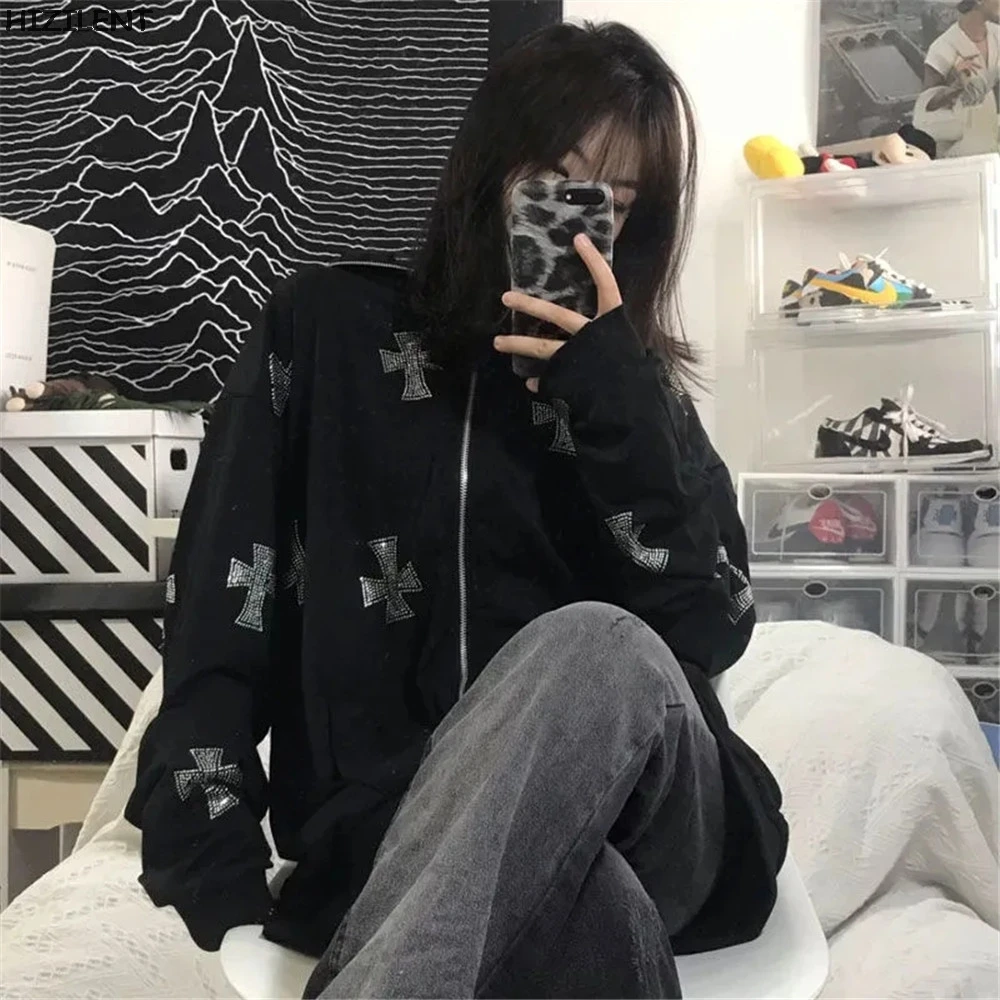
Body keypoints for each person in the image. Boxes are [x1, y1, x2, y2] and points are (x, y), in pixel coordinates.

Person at [125, 20, 787, 999]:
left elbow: (715, 625)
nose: (577, 226)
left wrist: (613, 402)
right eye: (557, 184)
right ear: (490, 170)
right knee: (590, 907)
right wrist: (214, 869)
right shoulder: (324, 334)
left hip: (658, 821)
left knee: (595, 644)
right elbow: (224, 612)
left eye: (614, 204)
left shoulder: (639, 395)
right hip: (397, 838)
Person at [915, 0, 1000, 157]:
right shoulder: (942, 48)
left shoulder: (997, 35)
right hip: (960, 145)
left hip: (990, 128)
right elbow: (926, 108)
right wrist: (956, 85)